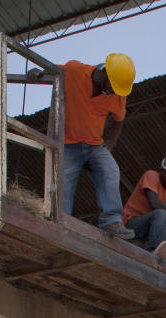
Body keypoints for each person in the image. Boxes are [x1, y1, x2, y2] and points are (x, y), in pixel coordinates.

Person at [58, 54, 136, 238]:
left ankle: (112, 222)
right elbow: (51, 71)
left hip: (94, 146)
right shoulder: (75, 71)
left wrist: (110, 142)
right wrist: (37, 74)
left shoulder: (118, 94)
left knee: (110, 170)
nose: (114, 91)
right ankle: (60, 220)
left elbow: (119, 119)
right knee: (64, 181)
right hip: (68, 145)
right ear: (104, 72)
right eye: (112, 86)